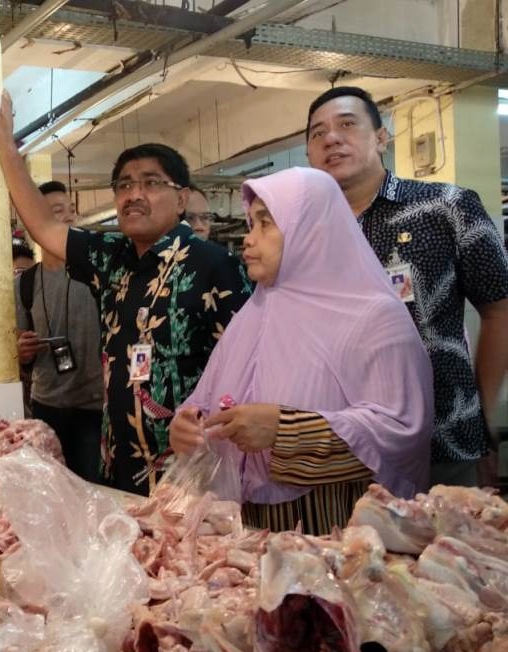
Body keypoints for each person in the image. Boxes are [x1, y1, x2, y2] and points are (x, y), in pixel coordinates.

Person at [0, 92, 251, 494]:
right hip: (118, 464)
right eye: (124, 185)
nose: (133, 194)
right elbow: (43, 226)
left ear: (181, 198)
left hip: (190, 470)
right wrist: (7, 152)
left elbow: (246, 369)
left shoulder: (215, 265)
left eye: (150, 183)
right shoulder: (113, 260)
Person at [170, 167, 433, 534]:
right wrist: (189, 423)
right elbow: (209, 396)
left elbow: (402, 431)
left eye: (265, 224)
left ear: (312, 232)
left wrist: (287, 429)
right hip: (244, 524)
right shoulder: (255, 312)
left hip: (333, 523)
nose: (248, 239)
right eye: (251, 223)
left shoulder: (374, 316)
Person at [306, 86, 508, 487]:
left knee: (449, 548)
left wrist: (479, 411)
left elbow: (499, 309)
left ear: (382, 136)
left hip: (442, 437)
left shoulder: (447, 207)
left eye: (347, 124)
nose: (331, 138)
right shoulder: (306, 233)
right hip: (337, 446)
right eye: (317, 133)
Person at [16, 181, 105, 483]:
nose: (68, 218)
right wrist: (23, 352)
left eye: (71, 211)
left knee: (93, 491)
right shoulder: (24, 284)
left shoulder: (100, 275)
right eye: (57, 211)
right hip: (46, 406)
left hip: (97, 405)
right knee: (51, 491)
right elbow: (18, 350)